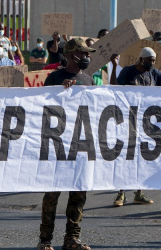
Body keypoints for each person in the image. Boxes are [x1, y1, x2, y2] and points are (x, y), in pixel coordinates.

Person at [38, 38, 96, 250]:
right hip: (57, 145)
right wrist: (61, 92)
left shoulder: (89, 81)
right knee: (52, 195)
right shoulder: (55, 77)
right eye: (85, 54)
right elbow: (43, 105)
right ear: (73, 56)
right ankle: (45, 240)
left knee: (78, 195)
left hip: (81, 145)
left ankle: (72, 238)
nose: (88, 58)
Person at [112, 47, 161, 206]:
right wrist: (113, 66)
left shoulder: (155, 74)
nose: (152, 63)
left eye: (153, 60)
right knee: (126, 157)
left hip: (146, 123)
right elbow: (115, 88)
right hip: (128, 121)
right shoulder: (128, 72)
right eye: (149, 60)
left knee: (142, 158)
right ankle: (121, 194)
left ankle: (139, 193)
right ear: (141, 59)